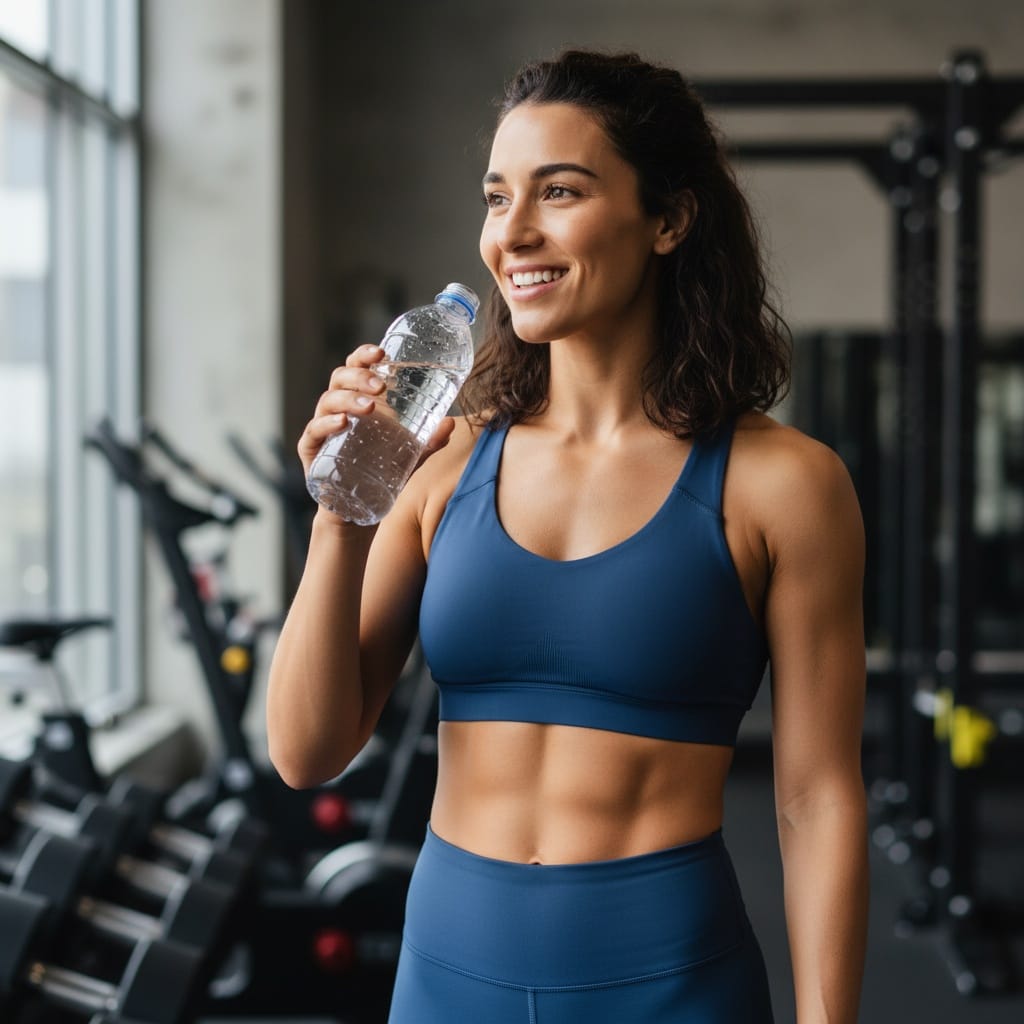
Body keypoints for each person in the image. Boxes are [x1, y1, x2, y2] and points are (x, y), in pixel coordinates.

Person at [267, 49, 868, 1024]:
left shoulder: (783, 484)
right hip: (446, 981)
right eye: (497, 197)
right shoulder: (443, 460)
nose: (513, 233)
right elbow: (306, 751)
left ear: (668, 219)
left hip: (670, 987)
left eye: (559, 191)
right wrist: (341, 514)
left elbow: (816, 798)